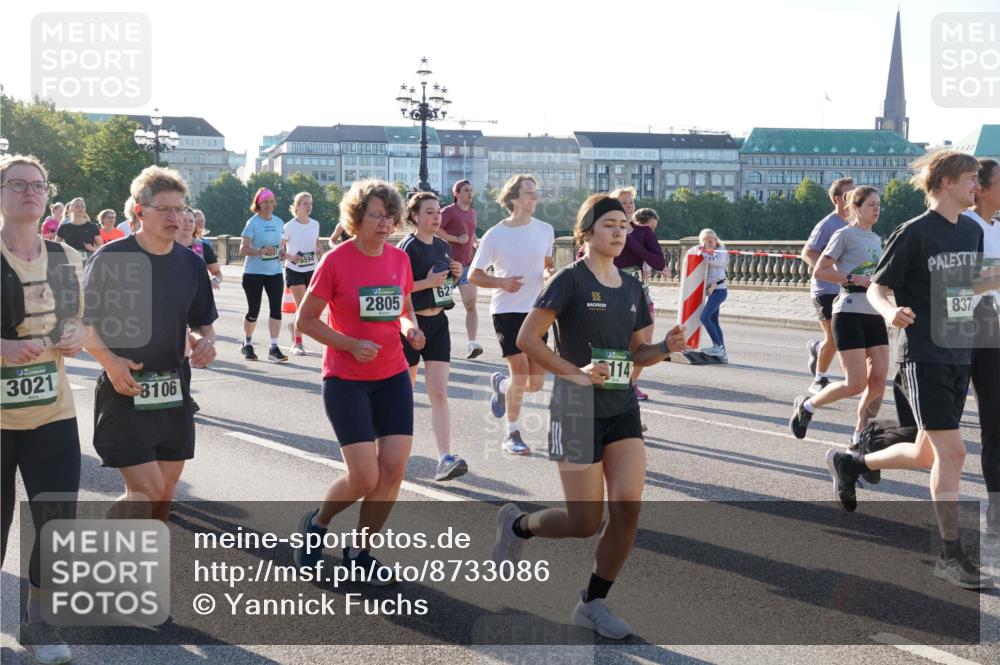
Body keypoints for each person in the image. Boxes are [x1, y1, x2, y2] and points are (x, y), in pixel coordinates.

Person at [495, 194, 687, 639]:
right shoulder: (569, 281)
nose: (620, 232)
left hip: (622, 407)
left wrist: (666, 349)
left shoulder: (633, 287)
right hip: (575, 408)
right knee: (583, 522)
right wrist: (575, 373)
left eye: (624, 225)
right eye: (610, 225)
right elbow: (528, 338)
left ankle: (593, 602)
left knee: (626, 510)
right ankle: (517, 525)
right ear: (587, 233)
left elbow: (639, 352)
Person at [826, 151, 1000, 589]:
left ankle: (853, 462)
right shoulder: (915, 232)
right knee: (955, 453)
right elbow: (878, 287)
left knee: (927, 453)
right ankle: (950, 554)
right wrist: (888, 312)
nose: (976, 187)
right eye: (969, 180)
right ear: (945, 183)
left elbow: (969, 290)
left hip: (959, 352)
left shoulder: (971, 233)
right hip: (923, 353)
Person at [292, 179, 425, 583]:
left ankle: (359, 550)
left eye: (390, 216)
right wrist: (349, 343)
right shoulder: (337, 260)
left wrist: (409, 329)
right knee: (365, 476)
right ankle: (317, 524)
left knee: (394, 470)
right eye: (376, 216)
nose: (385, 224)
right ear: (356, 217)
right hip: (346, 379)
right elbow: (305, 320)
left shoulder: (399, 261)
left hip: (392, 375)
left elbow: (403, 308)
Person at [83, 166, 217, 524]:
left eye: (181, 209)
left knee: (162, 498)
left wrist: (206, 340)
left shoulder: (190, 263)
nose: (176, 217)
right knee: (147, 492)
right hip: (125, 388)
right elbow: (81, 323)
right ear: (140, 212)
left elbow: (203, 320)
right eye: (165, 209)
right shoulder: (111, 259)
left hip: (173, 388)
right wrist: (110, 362)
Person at [1, 155, 86, 665]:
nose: (28, 192)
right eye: (16, 184)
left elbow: (81, 321)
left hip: (52, 412)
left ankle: (38, 623)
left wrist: (77, 334)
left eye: (37, 185)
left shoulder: (67, 257)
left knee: (56, 522)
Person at [790, 187, 888, 465]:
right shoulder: (843, 234)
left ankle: (859, 436)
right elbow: (820, 270)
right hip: (848, 310)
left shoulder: (877, 239)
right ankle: (808, 405)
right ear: (855, 208)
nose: (876, 209)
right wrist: (853, 277)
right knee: (856, 383)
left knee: (879, 380)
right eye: (871, 204)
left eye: (879, 204)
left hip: (874, 312)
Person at [469, 174, 555, 455]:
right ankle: (511, 434)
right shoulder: (496, 234)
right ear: (514, 198)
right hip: (506, 309)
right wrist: (502, 282)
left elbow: (546, 264)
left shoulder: (546, 229)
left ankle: (501, 385)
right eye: (529, 192)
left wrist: (549, 274)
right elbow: (474, 274)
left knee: (535, 382)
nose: (535, 197)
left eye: (535, 192)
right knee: (520, 374)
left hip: (538, 311)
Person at [399, 192, 468, 481]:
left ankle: (444, 459)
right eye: (429, 212)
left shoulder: (442, 246)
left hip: (439, 323)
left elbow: (445, 287)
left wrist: (457, 272)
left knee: (439, 394)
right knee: (404, 396)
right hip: (412, 326)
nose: (436, 216)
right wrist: (426, 282)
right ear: (415, 215)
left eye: (438, 211)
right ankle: (394, 456)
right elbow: (398, 290)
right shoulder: (407, 248)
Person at [962, 159, 1000, 543]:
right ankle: (859, 457)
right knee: (928, 436)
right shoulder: (963, 226)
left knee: (995, 424)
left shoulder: (998, 228)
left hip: (992, 329)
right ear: (982, 189)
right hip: (957, 329)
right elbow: (953, 285)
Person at [608, 188, 665, 401]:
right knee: (617, 342)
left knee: (644, 343)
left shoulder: (644, 233)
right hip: (612, 293)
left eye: (631, 202)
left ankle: (630, 384)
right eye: (624, 203)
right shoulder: (605, 231)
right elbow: (583, 254)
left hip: (641, 293)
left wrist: (631, 241)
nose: (629, 206)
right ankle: (616, 387)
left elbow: (659, 263)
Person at [801, 177, 856, 394]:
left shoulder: (856, 222)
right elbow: (807, 252)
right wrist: (831, 273)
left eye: (855, 192)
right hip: (825, 289)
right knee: (834, 337)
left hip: (848, 289)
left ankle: (818, 348)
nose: (853, 197)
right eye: (848, 194)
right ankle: (820, 380)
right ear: (837, 199)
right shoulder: (828, 224)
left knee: (842, 336)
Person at [239, 188, 287, 362]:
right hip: (253, 273)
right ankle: (247, 343)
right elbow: (242, 249)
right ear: (258, 204)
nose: (269, 205)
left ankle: (274, 347)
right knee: (254, 310)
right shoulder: (252, 223)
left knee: (276, 310)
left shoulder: (279, 222)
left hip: (274, 272)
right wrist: (260, 251)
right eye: (265, 202)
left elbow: (280, 246)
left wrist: (281, 253)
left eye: (271, 201)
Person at [437, 179, 483, 359]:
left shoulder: (473, 213)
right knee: (436, 307)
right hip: (447, 265)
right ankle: (432, 342)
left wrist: (474, 241)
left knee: (471, 304)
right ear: (456, 193)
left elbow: (470, 233)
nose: (469, 193)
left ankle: (472, 343)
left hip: (467, 265)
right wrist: (456, 239)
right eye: (465, 190)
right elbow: (435, 230)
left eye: (471, 190)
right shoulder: (448, 212)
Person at [281, 192, 321, 355]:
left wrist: (320, 251)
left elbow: (316, 245)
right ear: (297, 207)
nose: (308, 206)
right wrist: (291, 256)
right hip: (294, 269)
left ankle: (294, 326)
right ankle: (298, 344)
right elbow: (280, 250)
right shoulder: (289, 226)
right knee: (302, 306)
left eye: (310, 203)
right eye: (305, 203)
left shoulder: (315, 224)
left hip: (312, 268)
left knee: (311, 308)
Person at [694, 228, 730, 362]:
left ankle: (718, 347)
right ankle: (722, 352)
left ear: (716, 241)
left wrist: (703, 252)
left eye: (711, 241)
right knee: (714, 321)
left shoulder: (721, 252)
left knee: (704, 317)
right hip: (713, 291)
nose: (708, 244)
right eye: (705, 241)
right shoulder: (708, 251)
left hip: (720, 291)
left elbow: (716, 261)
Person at [178, 207, 222, 289]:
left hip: (199, 298)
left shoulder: (201, 247)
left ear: (195, 225)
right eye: (184, 220)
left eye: (191, 221)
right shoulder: (167, 246)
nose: (188, 224)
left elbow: (217, 272)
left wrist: (216, 280)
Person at [55, 196, 101, 261]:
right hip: (70, 264)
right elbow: (55, 246)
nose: (80, 208)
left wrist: (92, 248)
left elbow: (101, 246)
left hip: (87, 264)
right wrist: (64, 250)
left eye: (83, 206)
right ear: (70, 209)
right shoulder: (64, 227)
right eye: (77, 206)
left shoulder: (93, 227)